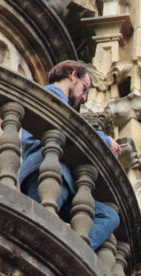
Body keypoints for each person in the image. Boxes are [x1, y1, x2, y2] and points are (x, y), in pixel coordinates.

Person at [19, 60, 122, 250]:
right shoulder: (51, 94)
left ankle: (78, 251)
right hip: (47, 173)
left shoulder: (60, 101)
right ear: (73, 75)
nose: (84, 98)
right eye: (85, 87)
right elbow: (71, 126)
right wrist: (104, 140)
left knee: (109, 215)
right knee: (40, 230)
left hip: (64, 179)